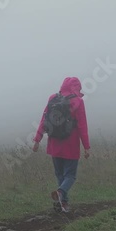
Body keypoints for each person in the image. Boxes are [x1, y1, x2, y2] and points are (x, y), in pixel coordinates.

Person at [32, 77, 90, 212]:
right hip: (71, 146)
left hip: (54, 144)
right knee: (70, 176)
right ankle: (61, 193)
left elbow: (44, 120)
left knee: (60, 175)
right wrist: (86, 147)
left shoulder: (53, 98)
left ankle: (63, 203)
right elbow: (82, 126)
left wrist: (37, 139)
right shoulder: (78, 102)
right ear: (77, 87)